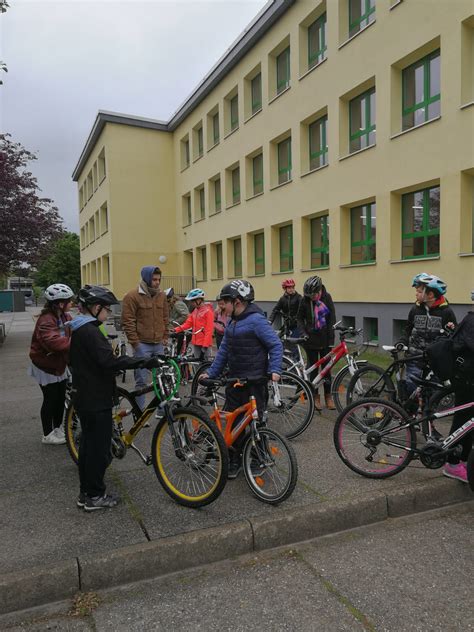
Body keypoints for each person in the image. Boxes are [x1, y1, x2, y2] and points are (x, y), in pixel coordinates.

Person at [69, 285, 157, 511]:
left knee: (88, 448)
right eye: (106, 309)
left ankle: (86, 493)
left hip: (86, 396)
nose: (108, 313)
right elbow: (110, 362)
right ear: (95, 308)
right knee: (97, 450)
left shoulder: (80, 328)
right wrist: (143, 361)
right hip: (95, 398)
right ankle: (95, 496)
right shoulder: (90, 332)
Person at [200, 279, 283, 478]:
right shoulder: (233, 323)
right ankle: (234, 460)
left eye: (225, 302)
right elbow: (224, 352)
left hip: (255, 381)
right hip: (235, 381)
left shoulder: (256, 321)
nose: (222, 306)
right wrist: (211, 373)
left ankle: (258, 458)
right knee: (232, 421)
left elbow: (275, 345)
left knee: (257, 421)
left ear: (237, 302)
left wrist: (274, 369)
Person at [29, 284, 74, 445]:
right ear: (60, 303)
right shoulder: (46, 320)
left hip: (58, 364)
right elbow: (55, 343)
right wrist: (76, 342)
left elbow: (75, 328)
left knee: (60, 397)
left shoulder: (64, 316)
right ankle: (47, 434)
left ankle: (58, 428)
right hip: (45, 365)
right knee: (50, 399)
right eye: (69, 301)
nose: (72, 303)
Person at [398, 273, 456, 396]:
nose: (416, 294)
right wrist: (403, 341)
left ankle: (427, 411)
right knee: (412, 386)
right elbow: (408, 329)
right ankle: (409, 412)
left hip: (434, 360)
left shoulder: (446, 312)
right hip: (414, 357)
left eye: (419, 291)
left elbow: (453, 335)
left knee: (433, 390)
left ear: (430, 295)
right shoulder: (415, 309)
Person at [122, 266, 169, 409]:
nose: (157, 282)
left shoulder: (162, 296)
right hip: (142, 344)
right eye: (154, 279)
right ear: (147, 278)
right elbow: (128, 321)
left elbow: (165, 317)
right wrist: (135, 344)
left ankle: (162, 412)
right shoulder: (132, 296)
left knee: (161, 379)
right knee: (141, 380)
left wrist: (165, 336)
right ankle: (140, 413)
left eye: (159, 279)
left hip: (158, 343)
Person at [442, 289, 474, 483]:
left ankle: (461, 459)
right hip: (465, 378)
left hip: (467, 376)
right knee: (464, 419)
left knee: (468, 420)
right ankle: (453, 463)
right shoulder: (472, 322)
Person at [297, 275, 336, 411]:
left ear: (319, 290)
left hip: (325, 339)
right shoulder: (305, 300)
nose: (311, 297)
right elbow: (300, 319)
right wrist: (303, 333)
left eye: (313, 295)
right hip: (310, 340)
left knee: (326, 370)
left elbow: (331, 319)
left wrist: (331, 340)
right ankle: (315, 396)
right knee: (313, 370)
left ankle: (328, 396)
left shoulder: (327, 298)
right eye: (309, 295)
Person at [174, 288, 214, 360]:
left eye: (192, 301)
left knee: (205, 365)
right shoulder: (195, 311)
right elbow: (187, 324)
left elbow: (209, 330)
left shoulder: (208, 312)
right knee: (197, 365)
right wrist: (175, 330)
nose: (191, 303)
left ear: (199, 300)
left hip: (205, 344)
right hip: (196, 343)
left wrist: (205, 347)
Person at [269, 279, 302, 360]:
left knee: (293, 344)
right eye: (289, 287)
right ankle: (288, 361)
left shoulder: (299, 297)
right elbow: (275, 310)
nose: (291, 289)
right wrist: (270, 321)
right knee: (282, 343)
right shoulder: (282, 299)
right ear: (285, 289)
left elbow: (304, 309)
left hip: (297, 325)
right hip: (287, 325)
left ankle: (297, 363)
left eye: (292, 287)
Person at [165, 287, 189, 353]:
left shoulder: (177, 304)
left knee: (180, 351)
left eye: (167, 300)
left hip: (182, 329)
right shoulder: (174, 304)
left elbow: (185, 315)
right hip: (178, 329)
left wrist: (174, 322)